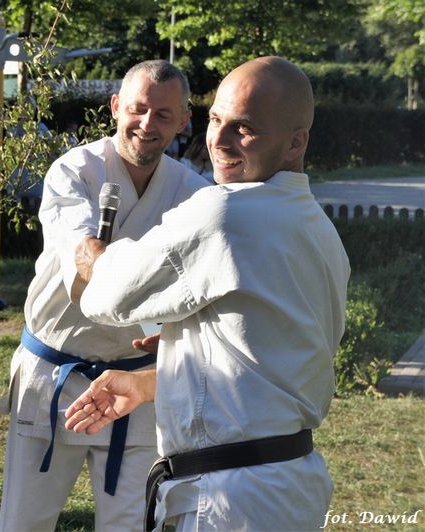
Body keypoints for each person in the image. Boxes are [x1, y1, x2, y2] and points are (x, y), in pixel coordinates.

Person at [66, 57, 350, 531]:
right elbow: (273, 359)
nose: (218, 140)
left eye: (245, 128)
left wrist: (94, 257)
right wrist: (167, 369)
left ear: (295, 142)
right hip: (288, 484)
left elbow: (109, 297)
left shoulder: (226, 212)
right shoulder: (319, 230)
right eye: (216, 119)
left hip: (227, 498)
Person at [0, 60, 209, 531]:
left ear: (183, 120)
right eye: (137, 109)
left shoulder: (195, 194)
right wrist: (123, 283)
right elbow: (81, 248)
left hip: (137, 385)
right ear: (115, 107)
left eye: (163, 115)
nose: (147, 124)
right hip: (56, 373)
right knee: (25, 522)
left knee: (133, 524)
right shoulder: (75, 170)